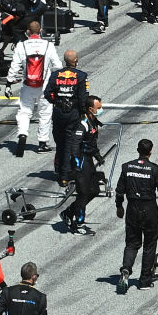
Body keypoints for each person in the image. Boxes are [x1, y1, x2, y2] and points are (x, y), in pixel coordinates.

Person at [115, 138, 158, 292]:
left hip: (132, 209)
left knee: (132, 244)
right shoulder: (155, 169)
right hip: (149, 210)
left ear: (138, 150)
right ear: (151, 151)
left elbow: (119, 190)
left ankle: (126, 269)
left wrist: (119, 207)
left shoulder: (126, 167)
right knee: (149, 245)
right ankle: (144, 281)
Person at [5, 21, 62, 157]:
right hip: (45, 85)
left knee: (24, 111)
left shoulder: (21, 46)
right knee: (45, 113)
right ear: (41, 31)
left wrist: (9, 82)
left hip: (27, 85)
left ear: (28, 32)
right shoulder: (49, 45)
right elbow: (58, 66)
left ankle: (23, 133)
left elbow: (14, 66)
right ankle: (42, 143)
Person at [44, 50, 89, 185]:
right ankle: (64, 175)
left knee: (60, 143)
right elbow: (83, 98)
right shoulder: (81, 76)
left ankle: (59, 168)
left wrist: (58, 102)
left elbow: (48, 93)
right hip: (73, 114)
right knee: (69, 144)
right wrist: (84, 113)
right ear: (76, 60)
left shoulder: (55, 75)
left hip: (58, 113)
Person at [61, 96, 105, 235]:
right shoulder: (82, 124)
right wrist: (77, 165)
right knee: (83, 194)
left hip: (89, 160)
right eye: (99, 107)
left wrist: (98, 156)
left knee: (95, 191)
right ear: (90, 109)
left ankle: (69, 212)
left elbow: (92, 143)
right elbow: (75, 146)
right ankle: (78, 223)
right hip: (81, 162)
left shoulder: (94, 121)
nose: (101, 109)